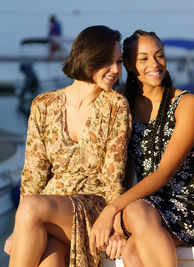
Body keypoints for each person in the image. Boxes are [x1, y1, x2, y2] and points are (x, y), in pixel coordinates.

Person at [90, 30, 194, 266]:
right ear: (128, 64)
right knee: (133, 249)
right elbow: (124, 170)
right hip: (152, 207)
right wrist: (115, 225)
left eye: (159, 55)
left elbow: (165, 172)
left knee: (135, 215)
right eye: (143, 58)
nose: (155, 64)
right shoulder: (121, 102)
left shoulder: (186, 103)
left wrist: (112, 210)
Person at [4, 25, 132, 267]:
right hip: (46, 209)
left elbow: (113, 177)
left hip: (92, 205)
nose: (116, 70)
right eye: (108, 61)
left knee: (31, 209)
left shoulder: (115, 105)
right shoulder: (43, 105)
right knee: (49, 261)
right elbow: (33, 174)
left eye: (119, 62)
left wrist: (116, 227)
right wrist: (20, 227)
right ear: (87, 57)